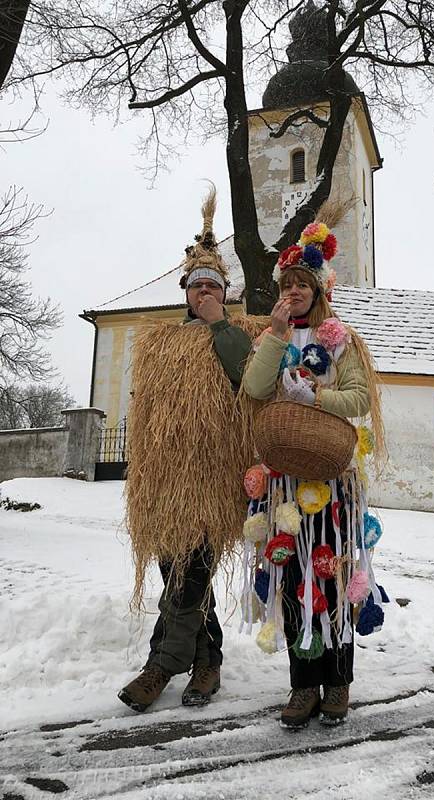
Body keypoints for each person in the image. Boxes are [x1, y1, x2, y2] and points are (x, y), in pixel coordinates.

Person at [240, 202, 387, 729]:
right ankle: (302, 686)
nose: (293, 292)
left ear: (320, 290)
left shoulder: (341, 340)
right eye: (286, 286)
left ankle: (338, 681)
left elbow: (359, 399)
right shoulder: (271, 338)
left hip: (331, 478)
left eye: (302, 285)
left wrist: (316, 397)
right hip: (284, 480)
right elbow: (255, 389)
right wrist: (276, 335)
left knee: (330, 574)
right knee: (293, 575)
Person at [118, 185, 260, 712]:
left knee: (189, 578)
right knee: (180, 577)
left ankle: (161, 666)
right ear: (184, 291)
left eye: (212, 286)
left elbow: (249, 383)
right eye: (196, 286)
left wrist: (220, 322)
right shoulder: (159, 342)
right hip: (163, 486)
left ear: (223, 291)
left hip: (211, 483)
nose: (203, 292)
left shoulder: (240, 332)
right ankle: (208, 662)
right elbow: (146, 414)